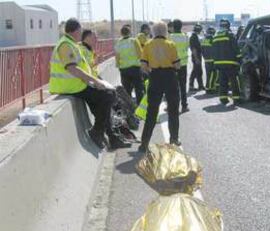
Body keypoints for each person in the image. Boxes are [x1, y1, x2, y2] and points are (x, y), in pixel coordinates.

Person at [49, 18, 130, 149]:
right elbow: (72, 68)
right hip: (71, 87)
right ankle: (97, 132)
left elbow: (82, 67)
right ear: (76, 31)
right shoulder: (65, 45)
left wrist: (94, 81)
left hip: (77, 85)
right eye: (80, 30)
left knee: (105, 103)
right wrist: (95, 81)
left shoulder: (72, 44)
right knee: (108, 97)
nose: (81, 33)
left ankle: (110, 137)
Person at [139, 22, 181, 152]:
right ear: (165, 32)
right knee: (173, 110)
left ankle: (144, 143)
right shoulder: (170, 44)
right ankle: (173, 139)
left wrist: (151, 72)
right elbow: (177, 65)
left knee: (151, 112)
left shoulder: (148, 45)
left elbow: (143, 66)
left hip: (155, 77)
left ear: (153, 32)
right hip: (169, 77)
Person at [212, 19, 243, 105]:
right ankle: (236, 99)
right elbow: (236, 48)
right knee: (234, 81)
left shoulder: (215, 36)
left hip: (219, 63)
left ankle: (223, 99)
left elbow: (213, 50)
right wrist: (240, 59)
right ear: (228, 26)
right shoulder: (230, 35)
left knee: (223, 81)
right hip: (230, 63)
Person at [115, 25, 144, 104]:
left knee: (127, 90)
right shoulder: (134, 41)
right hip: (135, 68)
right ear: (130, 32)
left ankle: (129, 108)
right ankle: (139, 106)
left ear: (121, 33)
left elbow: (117, 57)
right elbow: (140, 54)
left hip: (124, 70)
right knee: (138, 89)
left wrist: (119, 67)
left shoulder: (118, 43)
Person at [169, 19, 190, 112]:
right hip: (183, 64)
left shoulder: (170, 37)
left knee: (172, 87)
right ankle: (184, 106)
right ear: (181, 27)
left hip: (172, 65)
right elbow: (186, 48)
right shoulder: (185, 37)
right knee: (183, 86)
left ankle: (174, 107)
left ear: (173, 27)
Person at [201, 27, 218, 94]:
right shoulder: (212, 39)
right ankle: (210, 88)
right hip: (212, 59)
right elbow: (215, 49)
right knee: (213, 74)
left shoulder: (204, 39)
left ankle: (209, 87)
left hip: (206, 60)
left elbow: (202, 50)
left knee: (209, 74)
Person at [189, 23, 204, 91]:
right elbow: (194, 49)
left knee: (198, 71)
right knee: (195, 71)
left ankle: (200, 85)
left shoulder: (195, 36)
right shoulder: (193, 37)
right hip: (196, 57)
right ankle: (191, 85)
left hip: (197, 56)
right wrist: (196, 58)